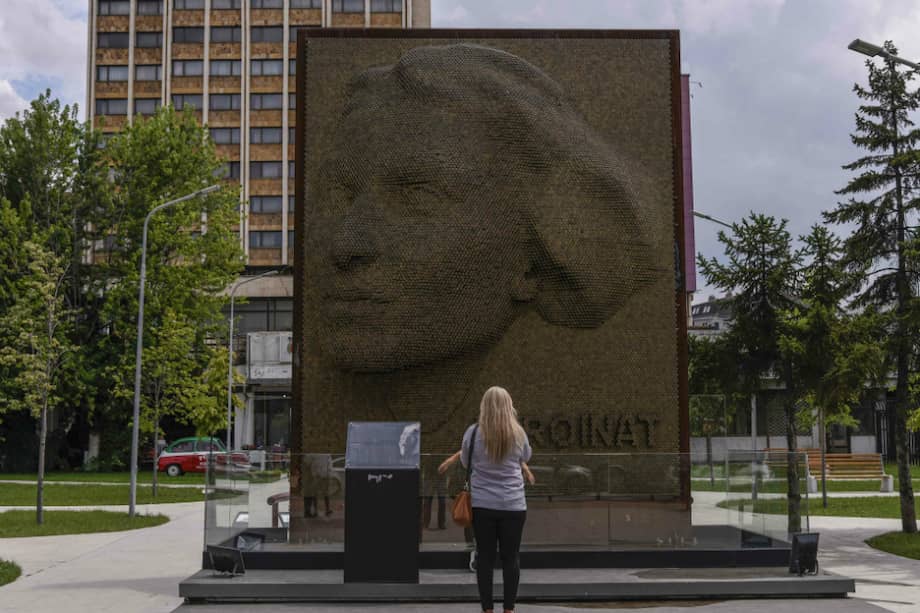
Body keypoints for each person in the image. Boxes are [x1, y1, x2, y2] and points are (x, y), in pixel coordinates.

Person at [458, 386, 532, 613]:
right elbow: (526, 456)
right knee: (511, 558)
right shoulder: (518, 433)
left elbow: (465, 461)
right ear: (509, 406)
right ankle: (509, 609)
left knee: (485, 558)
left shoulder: (473, 432)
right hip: (513, 504)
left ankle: (487, 609)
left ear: (484, 406)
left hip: (483, 505)